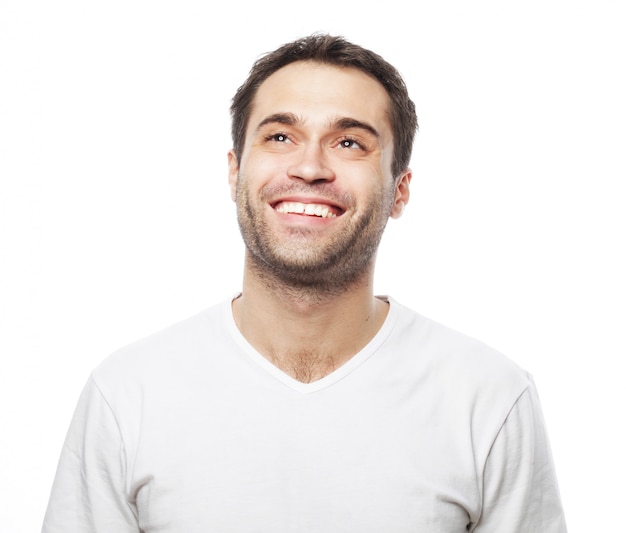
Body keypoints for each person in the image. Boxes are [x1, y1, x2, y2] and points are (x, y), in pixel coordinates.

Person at [42, 34, 567, 532]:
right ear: (234, 172)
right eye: (279, 136)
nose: (310, 166)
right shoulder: (127, 394)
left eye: (348, 141)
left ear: (400, 190)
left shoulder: (489, 397)